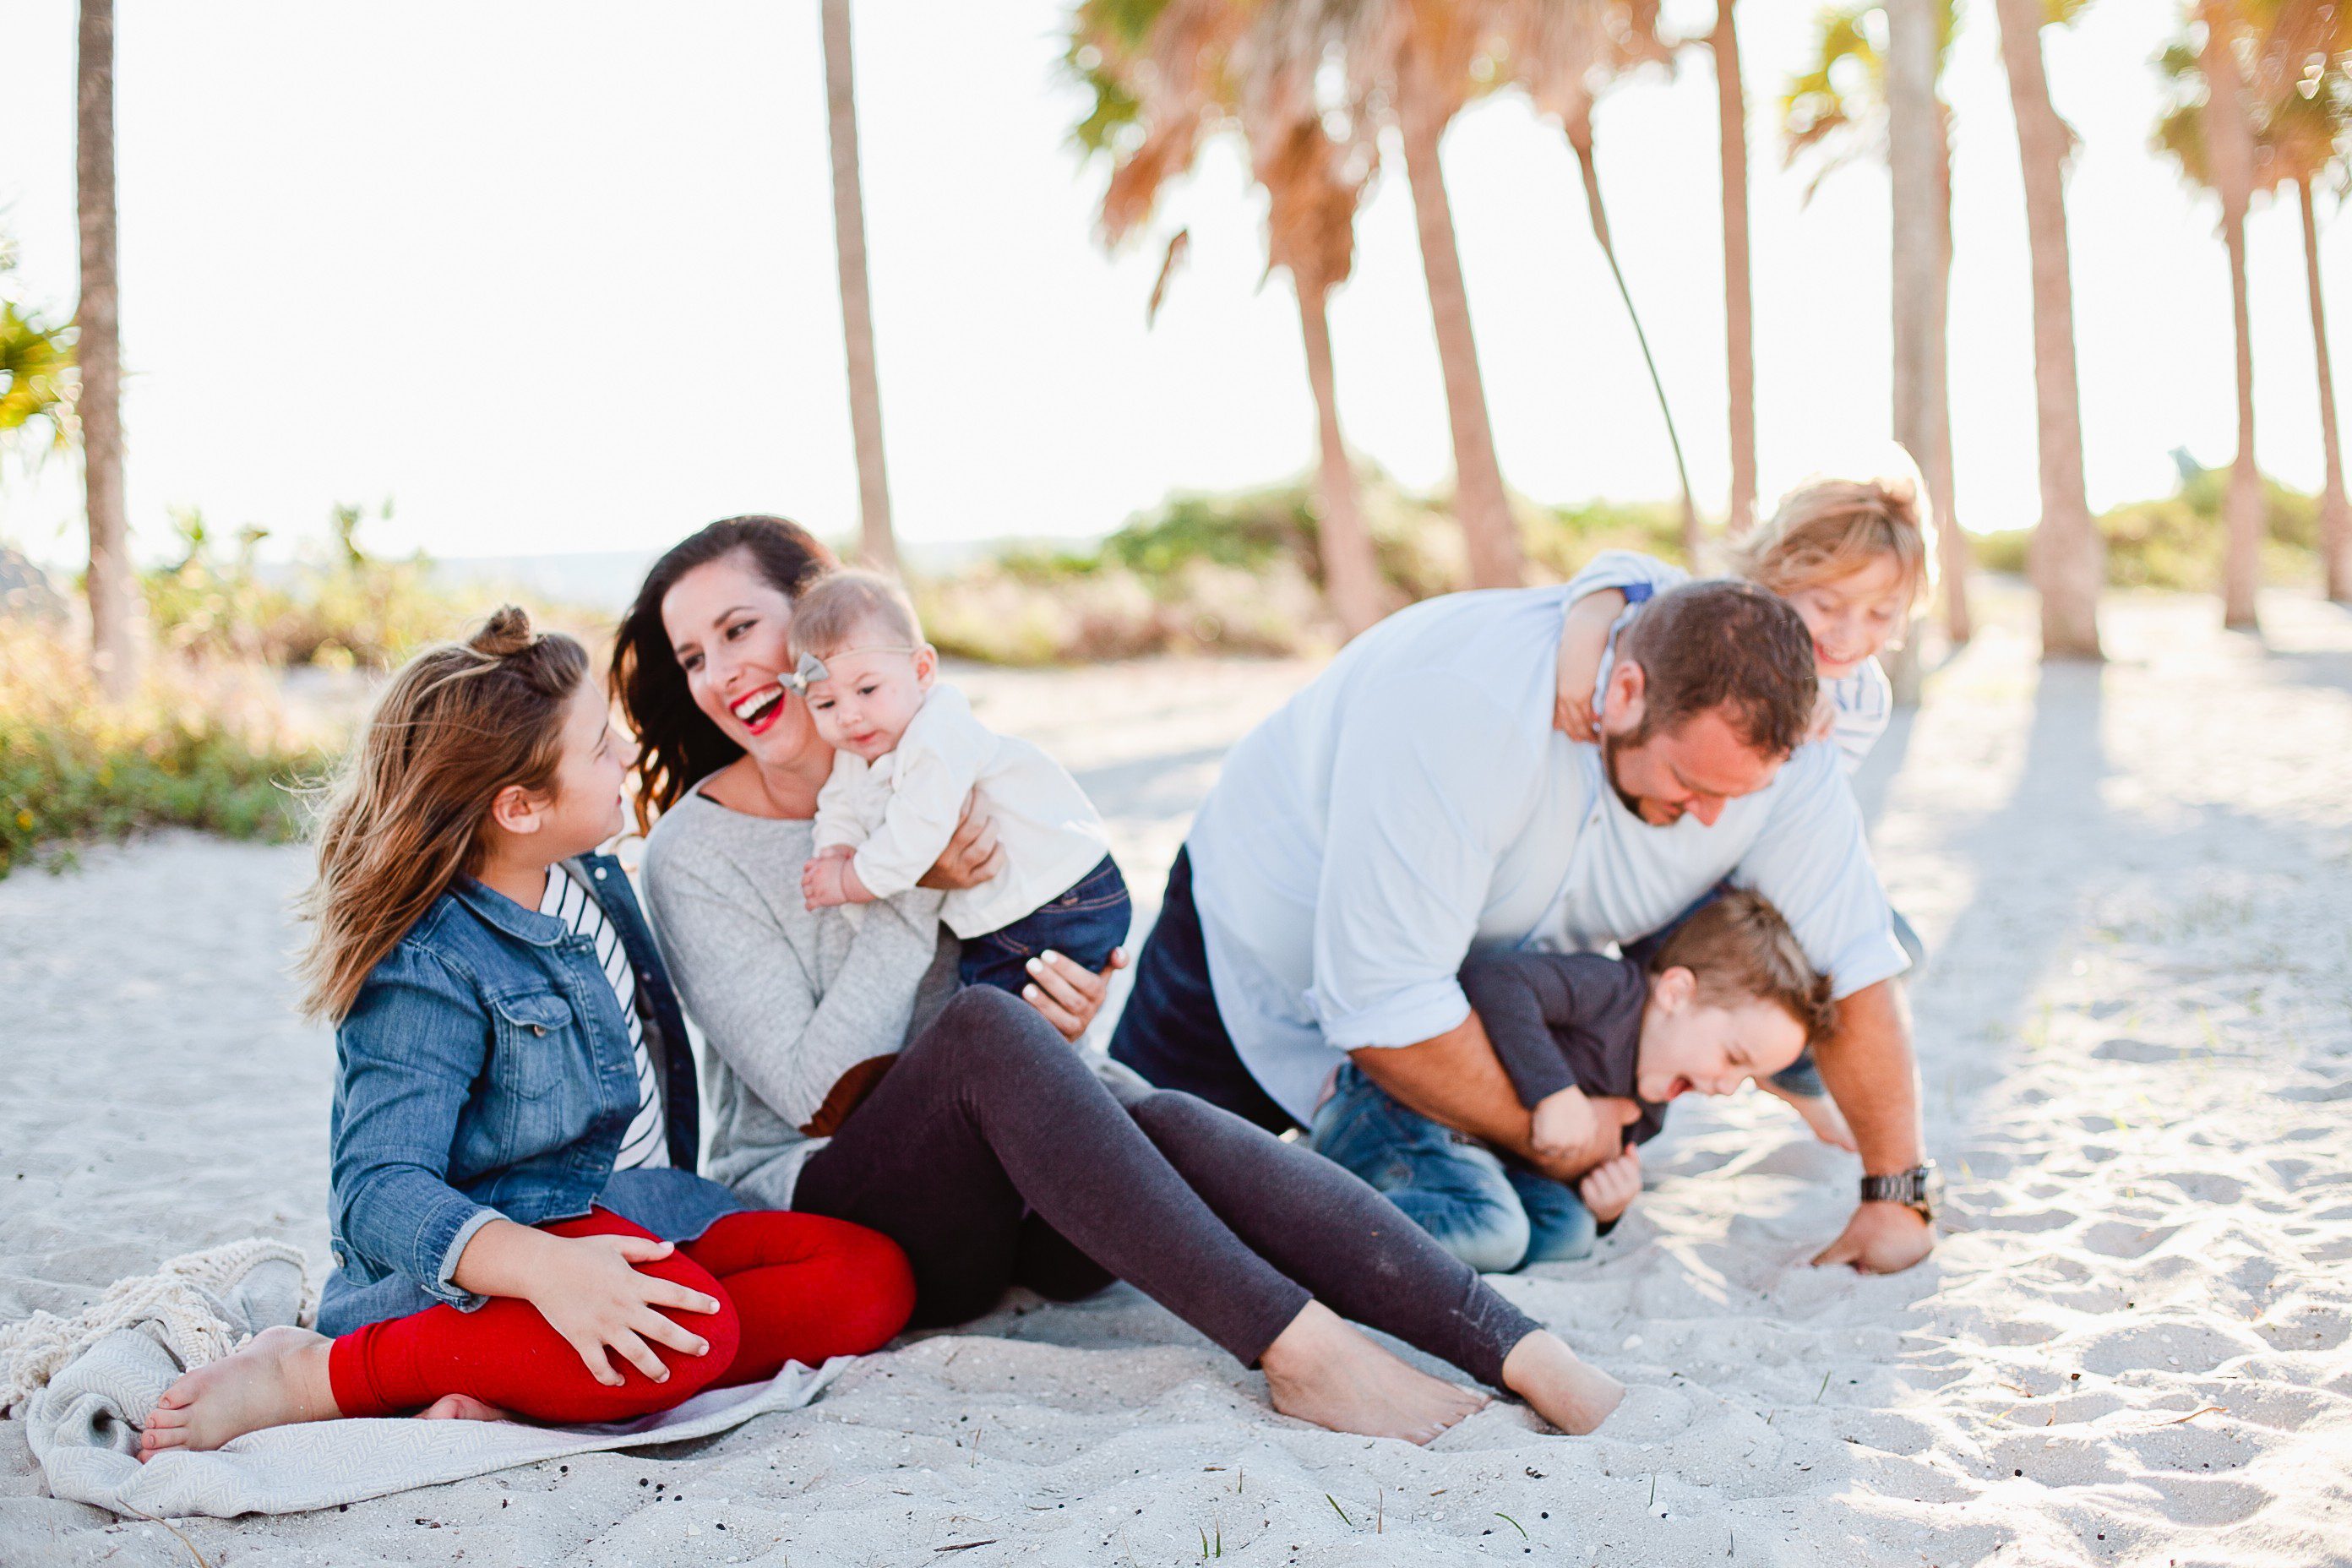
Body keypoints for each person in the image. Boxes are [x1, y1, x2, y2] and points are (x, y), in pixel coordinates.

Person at [617, 515, 1630, 1443]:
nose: (718, 673)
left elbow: (1024, 972)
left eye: (741, 628)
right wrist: (916, 882)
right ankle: (1306, 1353)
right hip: (853, 1204)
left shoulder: (946, 758)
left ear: (830, 619)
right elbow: (811, 1092)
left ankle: (1518, 1344)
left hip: (1033, 1196)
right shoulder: (694, 853)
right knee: (981, 1031)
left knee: (1162, 1112)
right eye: (693, 656)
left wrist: (1069, 1015)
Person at [136, 609, 917, 1460]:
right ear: (518, 806)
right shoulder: (427, 962)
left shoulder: (583, 871)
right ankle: (313, 1374)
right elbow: (376, 1186)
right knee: (690, 1336)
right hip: (494, 1246)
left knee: (871, 1279)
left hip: (629, 1201)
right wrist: (548, 1270)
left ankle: (511, 1375)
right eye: (598, 747)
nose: (624, 753)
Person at [1109, 576, 1940, 1277]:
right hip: (1247, 962)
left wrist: (1895, 1191)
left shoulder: (1776, 755)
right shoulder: (1466, 711)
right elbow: (1387, 1009)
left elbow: (1856, 961)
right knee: (1105, 1228)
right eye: (1690, 781)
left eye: (1739, 796)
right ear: (1622, 691)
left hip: (1458, 1022)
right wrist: (1562, 1133)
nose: (1712, 818)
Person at [1551, 467, 1935, 1147]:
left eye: (1880, 615)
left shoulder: (1860, 697)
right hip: (1663, 867)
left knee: (1892, 946)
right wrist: (1584, 641)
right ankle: (1800, 1086)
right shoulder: (1710, 621)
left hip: (1736, 865)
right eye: (1827, 604)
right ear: (1775, 574)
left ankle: (1795, 1076)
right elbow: (1623, 571)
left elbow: (1802, 820)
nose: (1849, 635)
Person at [1311, 890, 1834, 1272]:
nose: (1727, 1087)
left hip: (1481, 1159)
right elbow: (1499, 979)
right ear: (1675, 993)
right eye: (1733, 1058)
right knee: (1497, 1232)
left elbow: (1575, 1161)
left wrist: (1608, 1200)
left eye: (1748, 1077)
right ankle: (1306, 1222)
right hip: (1395, 1113)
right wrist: (1553, 1092)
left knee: (1569, 1231)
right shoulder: (1613, 993)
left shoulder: (1656, 1097)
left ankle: (1401, 1235)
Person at [789, 569, 1130, 995]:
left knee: (993, 1020)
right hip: (1020, 905)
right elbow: (838, 803)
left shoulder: (937, 735)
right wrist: (834, 848)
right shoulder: (858, 751)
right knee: (990, 1016)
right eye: (825, 703)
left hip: (1060, 895)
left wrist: (848, 878)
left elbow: (918, 834)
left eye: (868, 690)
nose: (848, 715)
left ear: (921, 670)